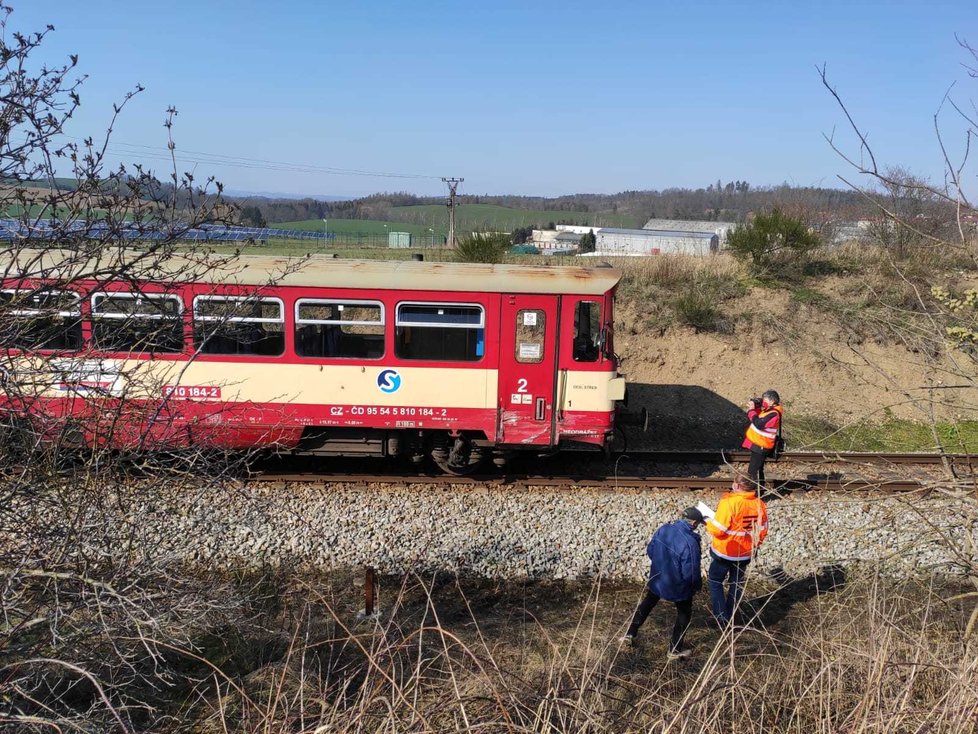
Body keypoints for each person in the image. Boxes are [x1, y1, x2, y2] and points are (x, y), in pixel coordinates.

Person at [622, 506, 704, 658]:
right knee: (684, 613)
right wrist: (695, 586)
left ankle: (630, 634)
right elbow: (691, 571)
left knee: (648, 603)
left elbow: (651, 550)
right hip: (678, 586)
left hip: (658, 578)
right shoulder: (690, 543)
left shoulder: (664, 529)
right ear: (693, 522)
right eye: (698, 524)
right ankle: (674, 650)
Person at [705, 479, 769, 627]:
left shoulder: (729, 503)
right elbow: (763, 529)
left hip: (725, 552)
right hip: (745, 553)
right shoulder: (760, 504)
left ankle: (721, 618)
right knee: (736, 583)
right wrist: (754, 544)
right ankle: (732, 614)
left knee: (715, 581)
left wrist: (708, 521)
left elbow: (718, 529)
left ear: (738, 486)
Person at [742, 389, 783, 492]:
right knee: (758, 469)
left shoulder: (774, 413)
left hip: (762, 445)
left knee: (752, 471)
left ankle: (754, 493)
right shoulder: (769, 410)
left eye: (765, 399)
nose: (763, 401)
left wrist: (751, 411)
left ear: (771, 401)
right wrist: (756, 407)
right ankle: (759, 491)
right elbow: (759, 417)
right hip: (759, 444)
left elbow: (759, 424)